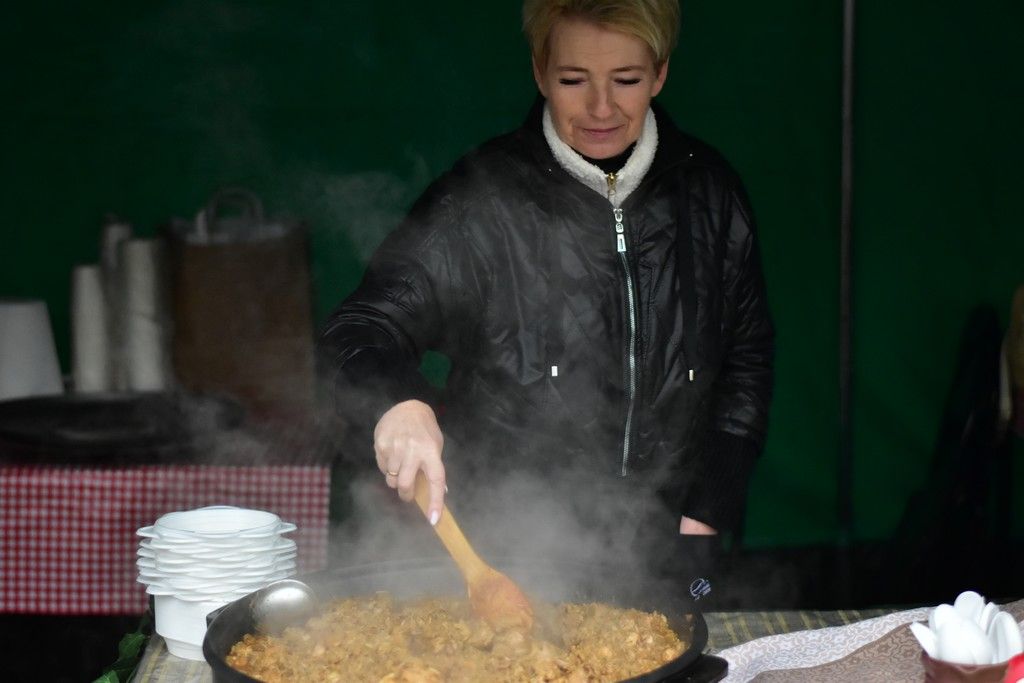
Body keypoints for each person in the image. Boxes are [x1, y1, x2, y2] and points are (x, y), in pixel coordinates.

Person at [319, 0, 774, 588]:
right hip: (510, 550)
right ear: (539, 70)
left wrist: (707, 512)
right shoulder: (480, 200)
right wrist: (399, 402)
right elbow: (361, 326)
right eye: (573, 80)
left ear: (660, 73)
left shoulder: (710, 193)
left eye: (627, 80)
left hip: (670, 545)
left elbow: (748, 357)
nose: (601, 107)